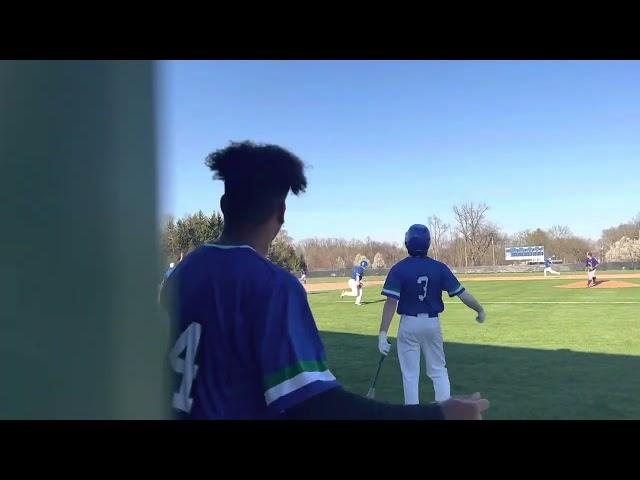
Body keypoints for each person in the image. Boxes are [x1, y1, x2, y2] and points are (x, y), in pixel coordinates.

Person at [159, 141, 489, 420]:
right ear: (282, 213)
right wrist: (439, 414)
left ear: (223, 205)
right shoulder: (272, 286)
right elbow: (317, 406)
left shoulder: (178, 275)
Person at [377, 224, 486, 404]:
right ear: (428, 243)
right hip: (432, 323)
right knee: (438, 370)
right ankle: (444, 411)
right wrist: (479, 310)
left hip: (408, 324)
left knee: (410, 375)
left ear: (407, 242)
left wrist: (382, 334)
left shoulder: (398, 269)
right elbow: (462, 293)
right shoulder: (439, 267)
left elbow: (391, 303)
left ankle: (412, 414)